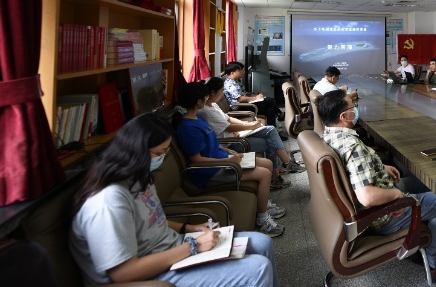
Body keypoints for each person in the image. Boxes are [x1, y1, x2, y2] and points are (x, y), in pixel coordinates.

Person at [69, 112, 279, 287]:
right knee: (258, 269)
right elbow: (123, 273)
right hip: (151, 273)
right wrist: (193, 247)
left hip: (172, 249)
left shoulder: (138, 177)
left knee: (262, 243)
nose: (162, 159)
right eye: (159, 153)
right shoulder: (108, 202)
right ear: (136, 152)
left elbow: (150, 220)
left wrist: (188, 228)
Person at [316, 90, 436, 281]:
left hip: (373, 195)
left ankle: (424, 235)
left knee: (419, 182)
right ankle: (435, 264)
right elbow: (367, 197)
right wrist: (396, 195)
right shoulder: (353, 146)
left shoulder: (330, 134)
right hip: (382, 214)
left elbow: (352, 169)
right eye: (353, 107)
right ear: (344, 116)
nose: (356, 109)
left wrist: (378, 166)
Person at [174, 82, 286, 237]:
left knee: (267, 163)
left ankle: (264, 204)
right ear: (198, 101)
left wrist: (227, 151)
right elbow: (197, 160)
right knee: (265, 174)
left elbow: (212, 142)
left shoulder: (197, 117)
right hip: (210, 171)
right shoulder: (188, 128)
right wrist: (229, 161)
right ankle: (262, 219)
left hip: (223, 160)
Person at [200, 77, 304, 189]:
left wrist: (245, 124)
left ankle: (285, 167)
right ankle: (278, 174)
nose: (222, 95)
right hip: (231, 143)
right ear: (212, 92)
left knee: (270, 130)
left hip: (236, 135)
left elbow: (228, 118)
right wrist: (250, 126)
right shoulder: (207, 111)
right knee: (271, 142)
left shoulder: (213, 104)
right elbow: (228, 127)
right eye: (221, 92)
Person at [223, 62, 282, 126]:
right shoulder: (230, 84)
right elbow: (240, 99)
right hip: (240, 108)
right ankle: (281, 114)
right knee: (269, 100)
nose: (242, 72)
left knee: (270, 110)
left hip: (244, 105)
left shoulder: (236, 81)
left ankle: (273, 130)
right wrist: (255, 98)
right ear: (232, 73)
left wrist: (255, 96)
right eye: (240, 71)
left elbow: (244, 93)